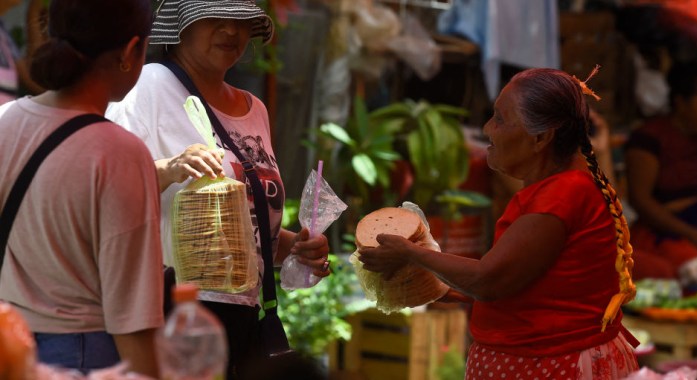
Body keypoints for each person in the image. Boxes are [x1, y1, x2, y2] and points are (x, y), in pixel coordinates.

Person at [359, 67, 639, 379]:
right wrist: (434, 279)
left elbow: (489, 281)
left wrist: (411, 253)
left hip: (555, 365)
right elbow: (523, 283)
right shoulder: (559, 187)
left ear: (541, 138)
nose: (488, 128)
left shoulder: (563, 194)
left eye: (500, 119)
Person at [106, 1, 331, 378]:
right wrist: (170, 168)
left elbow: (242, 227)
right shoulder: (148, 87)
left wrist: (295, 248)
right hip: (175, 311)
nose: (231, 31)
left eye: (241, 20)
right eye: (215, 18)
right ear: (182, 25)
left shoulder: (254, 108)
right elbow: (107, 187)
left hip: (243, 315)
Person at [0, 0, 162, 376]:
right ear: (129, 51)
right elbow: (132, 312)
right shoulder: (119, 152)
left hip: (11, 349)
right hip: (85, 354)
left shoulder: (6, 123)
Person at [624, 61, 697, 283]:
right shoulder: (649, 139)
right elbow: (640, 200)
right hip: (665, 231)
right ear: (681, 103)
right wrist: (692, 234)